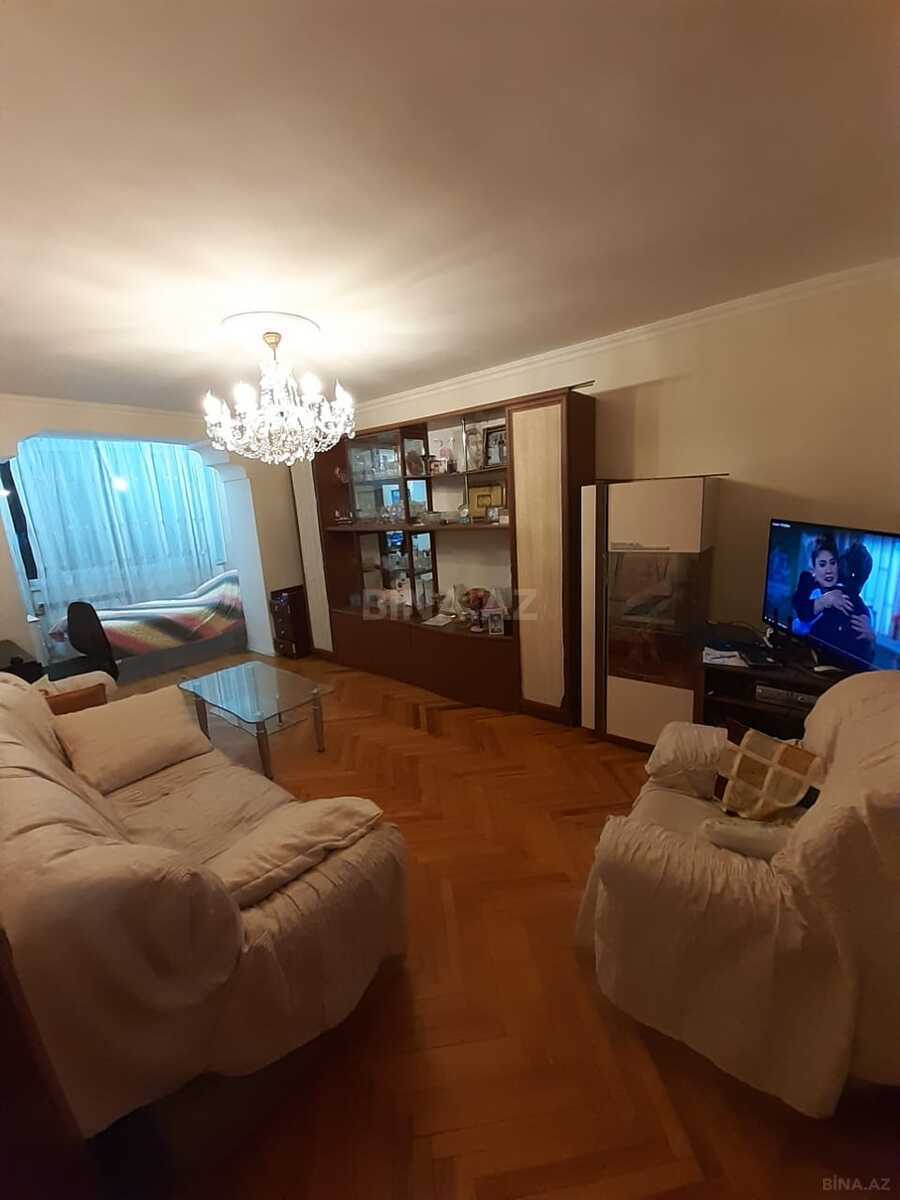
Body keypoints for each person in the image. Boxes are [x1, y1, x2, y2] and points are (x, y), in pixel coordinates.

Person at [792, 535, 875, 662]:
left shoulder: (859, 610)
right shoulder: (809, 586)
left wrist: (872, 640)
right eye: (822, 564)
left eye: (832, 563)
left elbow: (865, 659)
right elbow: (798, 619)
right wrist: (822, 601)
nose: (828, 570)